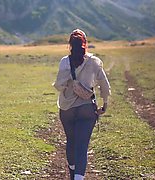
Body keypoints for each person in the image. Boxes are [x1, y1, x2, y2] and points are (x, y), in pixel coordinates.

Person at [53, 29, 111, 180]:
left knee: (71, 141)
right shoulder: (94, 61)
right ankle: (78, 177)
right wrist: (104, 104)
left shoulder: (65, 61)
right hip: (87, 108)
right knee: (82, 146)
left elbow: (59, 85)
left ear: (70, 45)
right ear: (85, 44)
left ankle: (72, 172)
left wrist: (70, 83)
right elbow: (105, 85)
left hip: (67, 108)